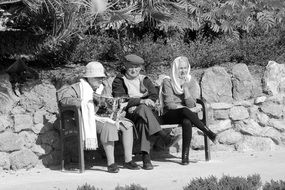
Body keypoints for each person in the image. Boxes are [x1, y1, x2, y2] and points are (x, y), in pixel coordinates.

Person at [58, 61, 140, 173]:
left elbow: (109, 101)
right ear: (89, 78)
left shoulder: (104, 87)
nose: (101, 80)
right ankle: (111, 163)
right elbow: (64, 100)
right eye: (97, 78)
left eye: (102, 77)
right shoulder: (77, 88)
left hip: (105, 116)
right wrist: (87, 101)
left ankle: (128, 160)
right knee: (108, 127)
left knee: (127, 125)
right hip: (87, 119)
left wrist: (116, 107)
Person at [112, 54, 181, 170]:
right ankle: (161, 139)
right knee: (143, 109)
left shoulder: (144, 79)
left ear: (140, 68)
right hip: (128, 113)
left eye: (137, 67)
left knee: (143, 120)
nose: (134, 70)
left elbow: (153, 95)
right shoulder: (119, 80)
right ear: (125, 66)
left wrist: (140, 103)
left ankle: (146, 158)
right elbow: (121, 99)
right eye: (131, 67)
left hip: (145, 113)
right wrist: (141, 101)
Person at [159, 56, 217, 165]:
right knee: (185, 111)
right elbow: (170, 105)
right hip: (169, 115)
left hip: (185, 115)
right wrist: (186, 108)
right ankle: (207, 131)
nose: (183, 71)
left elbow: (191, 103)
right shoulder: (168, 81)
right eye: (180, 68)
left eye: (185, 67)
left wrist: (185, 88)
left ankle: (185, 157)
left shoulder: (190, 81)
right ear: (175, 68)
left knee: (187, 121)